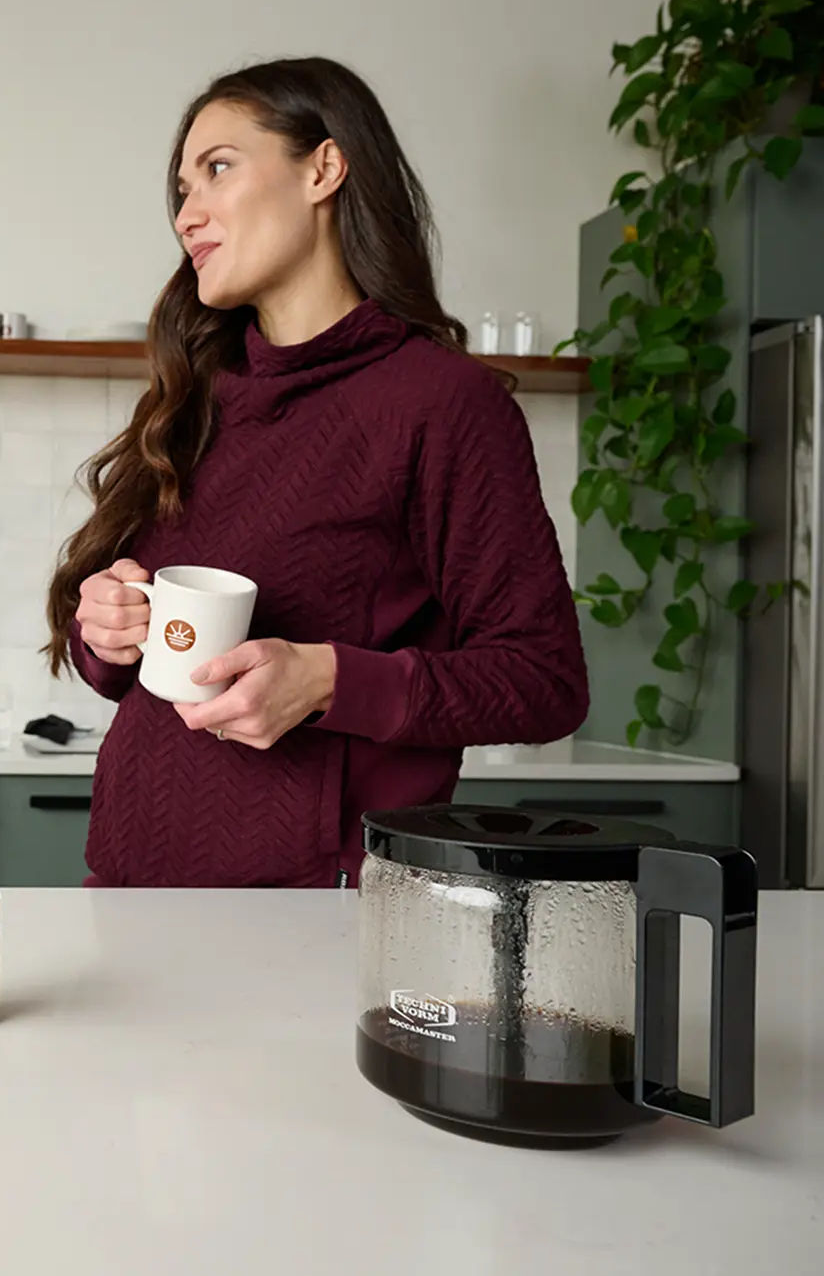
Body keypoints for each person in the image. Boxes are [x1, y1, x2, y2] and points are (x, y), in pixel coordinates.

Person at [46, 58, 587, 888]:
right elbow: (142, 670)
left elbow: (544, 681)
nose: (188, 214)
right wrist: (110, 631)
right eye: (180, 191)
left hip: (312, 918)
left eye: (217, 168)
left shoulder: (442, 405)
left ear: (324, 169)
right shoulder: (197, 397)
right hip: (126, 885)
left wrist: (329, 680)